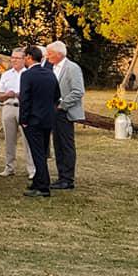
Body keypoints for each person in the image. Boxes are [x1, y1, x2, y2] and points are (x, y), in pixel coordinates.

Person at [19, 45, 61, 198]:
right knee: (42, 151)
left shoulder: (27, 75)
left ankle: (43, 186)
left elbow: (24, 98)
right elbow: (57, 96)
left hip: (33, 119)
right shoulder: (50, 74)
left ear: (29, 57)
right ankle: (38, 181)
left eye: (24, 57)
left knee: (37, 153)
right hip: (48, 118)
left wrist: (23, 119)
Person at [45, 40, 85, 191]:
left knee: (66, 145)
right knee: (57, 144)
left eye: (50, 54)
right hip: (53, 112)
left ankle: (68, 178)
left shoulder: (72, 68)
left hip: (65, 112)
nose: (47, 56)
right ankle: (61, 175)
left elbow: (78, 91)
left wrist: (62, 105)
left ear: (59, 54)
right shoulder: (52, 67)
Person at [0, 48, 35, 181]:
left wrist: (21, 95)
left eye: (17, 58)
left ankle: (31, 168)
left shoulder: (29, 73)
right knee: (9, 139)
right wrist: (7, 95)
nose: (14, 60)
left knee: (27, 139)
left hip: (24, 108)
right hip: (8, 107)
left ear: (24, 59)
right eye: (12, 57)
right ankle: (9, 167)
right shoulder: (6, 75)